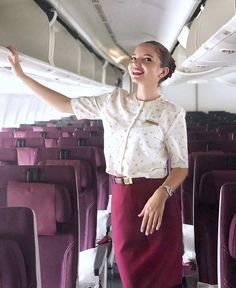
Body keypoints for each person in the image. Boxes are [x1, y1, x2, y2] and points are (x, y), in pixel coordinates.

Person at [8, 41, 188, 288]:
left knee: (165, 280)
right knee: (132, 278)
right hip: (124, 198)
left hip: (158, 201)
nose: (136, 63)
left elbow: (180, 166)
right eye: (134, 57)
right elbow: (63, 104)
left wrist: (161, 194)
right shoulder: (112, 101)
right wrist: (21, 76)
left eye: (147, 59)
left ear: (162, 71)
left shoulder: (171, 113)